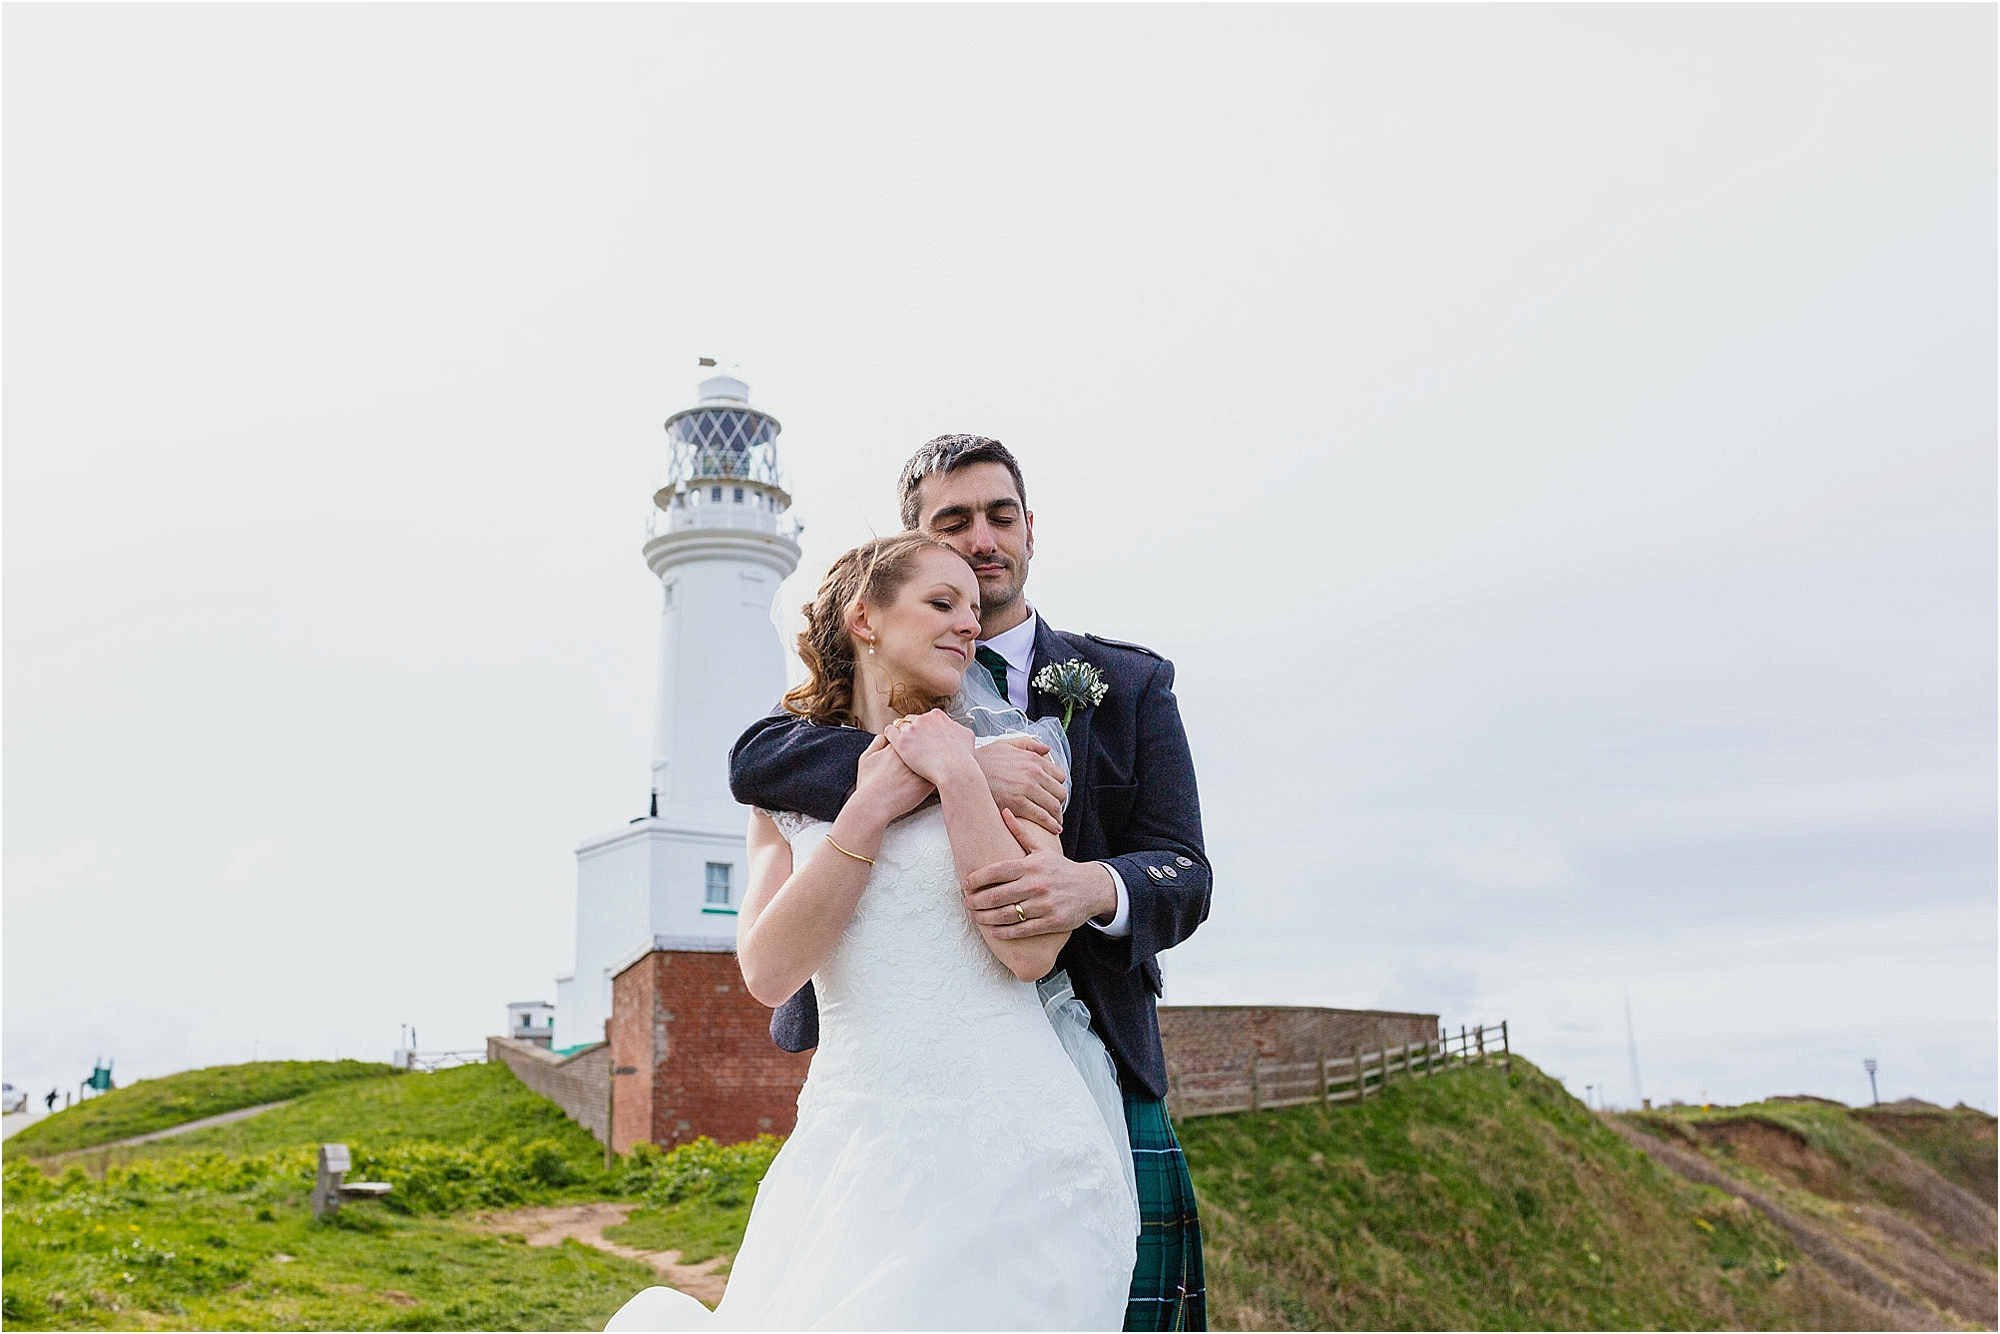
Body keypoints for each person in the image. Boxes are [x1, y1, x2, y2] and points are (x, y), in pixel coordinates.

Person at [730, 436, 1211, 1331]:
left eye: (999, 516)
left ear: (1030, 527)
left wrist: (1093, 886)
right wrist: (950, 766)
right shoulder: (799, 742)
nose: (982, 539)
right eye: (953, 524)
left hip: (1083, 1048)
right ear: (908, 551)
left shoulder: (1130, 681)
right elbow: (758, 764)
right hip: (877, 1086)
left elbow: (1183, 866)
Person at [607, 533, 1138, 1331]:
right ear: (866, 618)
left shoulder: (1017, 758)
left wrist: (957, 771)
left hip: (1015, 1150)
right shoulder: (783, 793)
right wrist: (875, 800)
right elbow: (769, 973)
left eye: (973, 606)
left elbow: (1029, 951)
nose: (970, 623)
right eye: (941, 603)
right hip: (854, 1148)